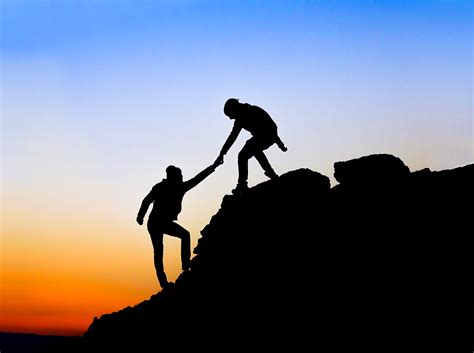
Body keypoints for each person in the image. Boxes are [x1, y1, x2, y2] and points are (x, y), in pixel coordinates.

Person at [136, 160, 220, 288]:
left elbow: (197, 179)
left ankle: (185, 266)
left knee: (184, 236)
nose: (182, 177)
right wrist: (140, 216)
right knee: (159, 250)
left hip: (164, 222)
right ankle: (164, 281)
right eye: (180, 175)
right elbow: (146, 201)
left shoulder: (180, 187)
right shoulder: (160, 187)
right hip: (154, 223)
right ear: (173, 177)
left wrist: (213, 166)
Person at [216, 98, 287, 194]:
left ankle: (270, 174)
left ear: (234, 109)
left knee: (252, 146)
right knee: (243, 155)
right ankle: (243, 184)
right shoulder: (240, 118)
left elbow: (270, 126)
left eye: (230, 115)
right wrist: (222, 153)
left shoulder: (252, 111)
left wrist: (280, 143)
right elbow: (232, 137)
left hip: (269, 135)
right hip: (261, 137)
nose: (230, 118)